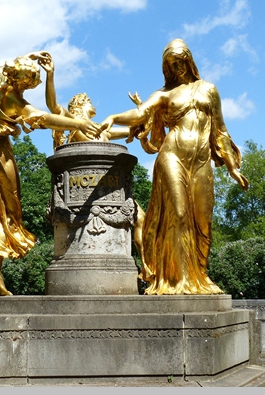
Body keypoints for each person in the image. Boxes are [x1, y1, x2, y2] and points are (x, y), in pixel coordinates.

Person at [104, 40, 248, 295]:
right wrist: (114, 117)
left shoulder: (208, 89)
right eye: (172, 64)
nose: (178, 67)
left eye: (181, 62)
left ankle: (199, 278)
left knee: (203, 222)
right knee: (179, 214)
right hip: (172, 155)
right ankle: (178, 280)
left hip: (201, 161)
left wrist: (232, 166)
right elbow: (140, 113)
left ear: (189, 60)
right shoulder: (164, 94)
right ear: (166, 68)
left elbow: (220, 130)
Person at [0, 52, 103, 296]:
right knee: (9, 214)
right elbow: (44, 118)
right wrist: (78, 124)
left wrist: (29, 57)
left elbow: (3, 67)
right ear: (22, 83)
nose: (27, 90)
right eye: (28, 85)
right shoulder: (16, 100)